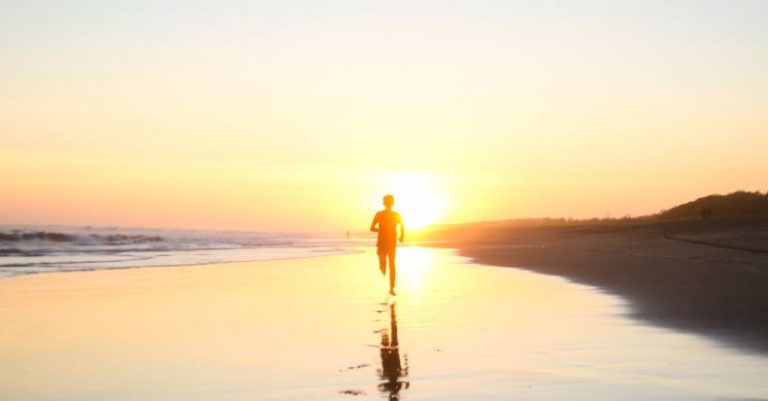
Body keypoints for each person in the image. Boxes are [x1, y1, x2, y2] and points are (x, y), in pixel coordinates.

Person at [370, 194, 405, 295]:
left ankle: (391, 288)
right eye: (387, 202)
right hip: (382, 242)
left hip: (391, 243)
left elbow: (402, 225)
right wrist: (382, 229)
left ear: (392, 203)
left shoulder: (396, 214)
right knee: (385, 265)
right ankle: (382, 264)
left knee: (392, 265)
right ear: (384, 203)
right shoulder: (379, 214)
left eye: (390, 202)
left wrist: (402, 235)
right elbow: (371, 228)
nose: (389, 204)